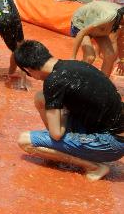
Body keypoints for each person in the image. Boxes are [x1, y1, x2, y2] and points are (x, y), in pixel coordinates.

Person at [14, 40, 124, 181]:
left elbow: (56, 134)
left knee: (25, 141)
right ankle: (62, 148)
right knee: (41, 97)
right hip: (114, 130)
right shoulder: (75, 64)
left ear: (28, 69)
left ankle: (93, 166)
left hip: (111, 143)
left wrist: (59, 124)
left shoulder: (53, 81)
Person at [70, 1, 124, 78]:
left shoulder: (120, 19)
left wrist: (122, 61)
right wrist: (72, 57)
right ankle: (75, 78)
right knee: (90, 56)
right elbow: (81, 33)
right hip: (82, 22)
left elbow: (121, 41)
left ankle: (103, 84)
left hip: (99, 26)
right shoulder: (109, 17)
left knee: (110, 56)